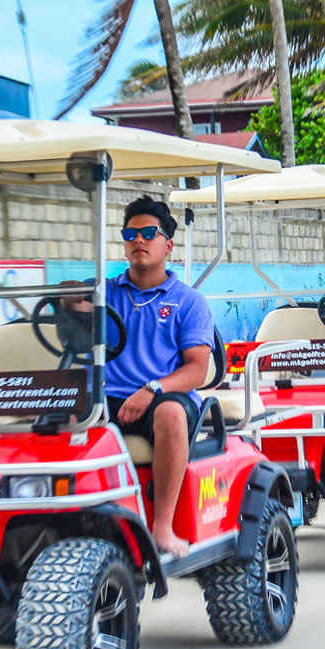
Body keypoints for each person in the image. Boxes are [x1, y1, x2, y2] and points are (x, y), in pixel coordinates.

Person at [61, 196, 213, 557]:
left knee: (171, 414)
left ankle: (161, 527)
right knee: (59, 408)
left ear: (168, 244)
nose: (139, 240)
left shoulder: (188, 301)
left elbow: (196, 369)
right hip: (105, 397)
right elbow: (70, 303)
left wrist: (152, 388)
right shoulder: (103, 292)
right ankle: (60, 516)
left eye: (149, 233)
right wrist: (69, 297)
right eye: (131, 234)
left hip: (161, 398)